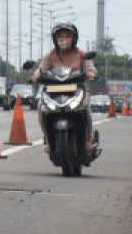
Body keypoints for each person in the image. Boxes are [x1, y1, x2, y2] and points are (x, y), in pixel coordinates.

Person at [30, 22, 98, 154]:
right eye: (60, 36)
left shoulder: (81, 54)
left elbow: (91, 69)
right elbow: (40, 70)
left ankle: (87, 141)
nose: (63, 39)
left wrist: (91, 74)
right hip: (53, 90)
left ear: (74, 38)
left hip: (78, 89)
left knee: (85, 109)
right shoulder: (50, 55)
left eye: (67, 36)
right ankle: (49, 141)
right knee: (41, 108)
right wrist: (35, 76)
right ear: (55, 39)